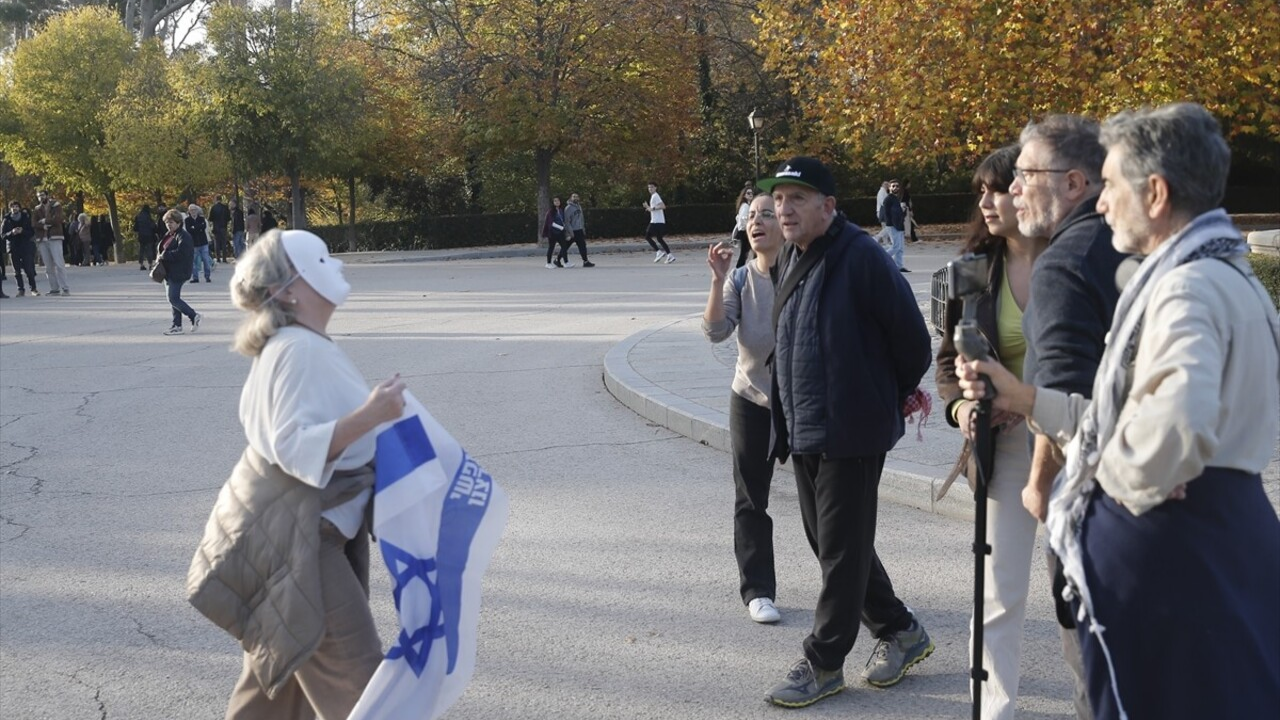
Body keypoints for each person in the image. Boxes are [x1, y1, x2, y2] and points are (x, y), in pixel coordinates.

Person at [957, 102, 1280, 720]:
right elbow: (1131, 419)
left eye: (1113, 185)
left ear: (1155, 193)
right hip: (1219, 532)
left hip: (1170, 549)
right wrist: (1028, 399)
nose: (1102, 203)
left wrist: (1119, 488)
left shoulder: (1184, 287)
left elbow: (1169, 433)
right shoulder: (1226, 273)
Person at [195, 229, 405, 718]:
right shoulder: (296, 350)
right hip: (297, 543)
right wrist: (370, 416)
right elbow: (292, 445)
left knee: (277, 689)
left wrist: (372, 417)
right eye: (322, 259)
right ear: (287, 288)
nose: (336, 266)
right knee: (364, 689)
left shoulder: (299, 344)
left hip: (286, 535)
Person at [759, 157, 934, 708]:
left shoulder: (862, 258)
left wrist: (878, 397)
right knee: (833, 543)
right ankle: (901, 629)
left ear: (828, 207)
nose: (784, 209)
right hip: (806, 424)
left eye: (797, 199)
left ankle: (823, 660)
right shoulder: (792, 253)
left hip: (851, 430)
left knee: (839, 549)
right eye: (779, 199)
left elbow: (913, 344)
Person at [1010, 113, 1127, 720]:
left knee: (1096, 676)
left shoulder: (1065, 263)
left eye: (1026, 174)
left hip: (1094, 505)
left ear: (1075, 183)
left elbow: (1062, 400)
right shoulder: (1131, 244)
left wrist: (1037, 483)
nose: (1012, 190)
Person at [934, 145, 1049, 719]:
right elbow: (945, 368)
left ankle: (1096, 704)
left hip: (1077, 443)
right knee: (1000, 592)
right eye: (982, 191)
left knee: (1082, 593)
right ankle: (993, 712)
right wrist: (962, 411)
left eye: (998, 188)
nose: (987, 201)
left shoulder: (1077, 264)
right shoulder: (973, 271)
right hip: (1003, 449)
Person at [702, 192, 784, 625]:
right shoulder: (739, 279)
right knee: (751, 498)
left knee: (827, 502)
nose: (758, 222)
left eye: (767, 214)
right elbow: (715, 331)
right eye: (752, 215)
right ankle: (758, 591)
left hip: (801, 403)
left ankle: (862, 589)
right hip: (751, 397)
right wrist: (717, 280)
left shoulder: (801, 273)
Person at [156, 209, 201, 335]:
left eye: (171, 222)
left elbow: (182, 253)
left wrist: (165, 255)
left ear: (178, 222)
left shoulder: (184, 236)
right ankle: (177, 325)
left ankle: (193, 315)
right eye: (166, 222)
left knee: (173, 298)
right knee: (173, 299)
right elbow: (162, 248)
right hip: (168, 271)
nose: (168, 225)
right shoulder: (169, 235)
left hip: (179, 271)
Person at [31, 190, 69, 295]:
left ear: (47, 195)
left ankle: (65, 288)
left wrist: (44, 221)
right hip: (42, 239)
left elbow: (58, 219)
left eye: (42, 195)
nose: (41, 198)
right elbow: (33, 223)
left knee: (59, 263)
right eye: (38, 196)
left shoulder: (56, 206)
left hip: (55, 237)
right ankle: (54, 289)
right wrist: (42, 225)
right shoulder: (37, 209)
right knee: (48, 266)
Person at [3, 201, 38, 296]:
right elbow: (3, 235)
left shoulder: (26, 218)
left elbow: (31, 232)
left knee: (29, 269)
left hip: (25, 246)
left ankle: (33, 289)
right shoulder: (6, 220)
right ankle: (20, 289)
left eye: (16, 206)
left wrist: (22, 231)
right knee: (16, 270)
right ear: (10, 209)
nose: (15, 208)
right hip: (13, 247)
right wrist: (12, 232)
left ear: (19, 208)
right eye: (13, 207)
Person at [878, 179, 908, 271]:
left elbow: (899, 213)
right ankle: (880, 260)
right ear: (889, 188)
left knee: (900, 248)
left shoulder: (895, 199)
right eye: (893, 186)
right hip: (893, 225)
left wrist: (903, 211)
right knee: (896, 247)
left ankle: (899, 266)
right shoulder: (888, 199)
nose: (895, 188)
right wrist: (893, 224)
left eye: (897, 186)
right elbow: (888, 214)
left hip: (899, 225)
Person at [643, 182, 674, 263]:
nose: (650, 189)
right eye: (649, 187)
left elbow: (663, 206)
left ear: (656, 188)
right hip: (658, 221)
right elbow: (654, 209)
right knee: (659, 239)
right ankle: (670, 255)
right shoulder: (653, 196)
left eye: (652, 187)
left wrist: (652, 208)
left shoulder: (655, 196)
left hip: (656, 221)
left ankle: (658, 252)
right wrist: (648, 207)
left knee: (647, 236)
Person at [562, 193, 594, 267]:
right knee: (566, 246)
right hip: (572, 231)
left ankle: (585, 261)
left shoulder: (579, 206)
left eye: (577, 197)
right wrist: (570, 232)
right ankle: (557, 259)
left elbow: (581, 219)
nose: (575, 198)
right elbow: (567, 221)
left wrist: (583, 228)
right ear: (570, 198)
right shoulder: (568, 208)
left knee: (582, 245)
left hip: (579, 230)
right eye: (574, 197)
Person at [186, 204, 213, 283]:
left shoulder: (201, 219)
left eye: (194, 210)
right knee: (193, 261)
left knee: (206, 260)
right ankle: (195, 277)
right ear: (189, 211)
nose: (193, 211)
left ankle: (207, 276)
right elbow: (189, 230)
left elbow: (203, 227)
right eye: (191, 210)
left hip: (203, 242)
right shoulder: (187, 220)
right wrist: (197, 228)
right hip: (194, 244)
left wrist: (194, 227)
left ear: (197, 211)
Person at [730, 186, 754, 269]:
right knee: (745, 253)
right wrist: (749, 226)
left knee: (746, 253)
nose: (750, 195)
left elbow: (738, 218)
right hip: (744, 232)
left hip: (743, 231)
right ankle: (739, 270)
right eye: (748, 193)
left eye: (751, 193)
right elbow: (743, 219)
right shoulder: (745, 206)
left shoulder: (745, 205)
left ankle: (741, 269)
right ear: (744, 195)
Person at [542, 196, 569, 268]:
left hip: (560, 233)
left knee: (564, 246)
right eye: (555, 201)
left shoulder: (561, 210)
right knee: (551, 247)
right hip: (553, 233)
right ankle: (548, 263)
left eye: (558, 201)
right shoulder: (550, 211)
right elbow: (551, 223)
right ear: (553, 203)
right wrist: (561, 227)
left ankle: (566, 262)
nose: (557, 202)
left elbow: (564, 219)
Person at [209, 196, 231, 263]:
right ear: (221, 200)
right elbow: (228, 218)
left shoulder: (213, 208)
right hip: (223, 227)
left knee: (217, 243)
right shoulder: (225, 207)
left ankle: (218, 258)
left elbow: (210, 218)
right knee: (224, 243)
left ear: (215, 200)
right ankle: (224, 258)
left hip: (216, 227)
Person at [134, 205, 157, 271]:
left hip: (141, 236)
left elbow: (135, 228)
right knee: (149, 250)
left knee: (141, 250)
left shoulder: (138, 217)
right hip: (149, 236)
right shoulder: (149, 217)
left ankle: (141, 264)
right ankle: (150, 264)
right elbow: (153, 227)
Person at [901, 179, 920, 243]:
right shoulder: (905, 192)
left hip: (904, 208)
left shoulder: (902, 191)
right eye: (909, 184)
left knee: (908, 224)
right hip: (906, 209)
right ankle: (913, 238)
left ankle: (912, 238)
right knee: (909, 224)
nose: (910, 185)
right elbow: (907, 202)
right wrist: (910, 210)